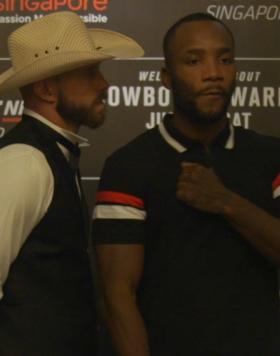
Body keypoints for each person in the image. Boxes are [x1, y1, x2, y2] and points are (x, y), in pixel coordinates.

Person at [92, 12, 280, 356]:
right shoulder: (129, 165)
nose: (213, 73)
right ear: (166, 77)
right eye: (194, 60)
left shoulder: (271, 156)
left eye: (225, 59)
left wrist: (226, 202)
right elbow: (118, 294)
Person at [0, 11, 143, 355]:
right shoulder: (25, 161)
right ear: (47, 89)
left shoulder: (54, 154)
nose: (104, 84)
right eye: (90, 73)